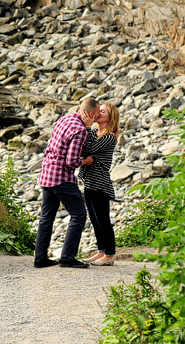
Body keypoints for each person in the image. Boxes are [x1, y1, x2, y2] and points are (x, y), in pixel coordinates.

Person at [34, 98, 99, 269]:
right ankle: (67, 258)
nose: (97, 118)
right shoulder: (80, 131)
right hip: (61, 178)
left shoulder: (65, 119)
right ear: (90, 114)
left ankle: (40, 259)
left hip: (47, 173)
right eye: (97, 115)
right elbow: (71, 161)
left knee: (46, 217)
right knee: (79, 215)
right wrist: (86, 161)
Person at [79, 102, 120, 266]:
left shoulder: (109, 137)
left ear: (110, 117)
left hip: (100, 183)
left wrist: (87, 127)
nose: (98, 112)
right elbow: (83, 148)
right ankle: (101, 251)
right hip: (89, 182)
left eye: (103, 111)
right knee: (95, 220)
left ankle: (110, 255)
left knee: (103, 220)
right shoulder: (95, 132)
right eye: (99, 110)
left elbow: (88, 148)